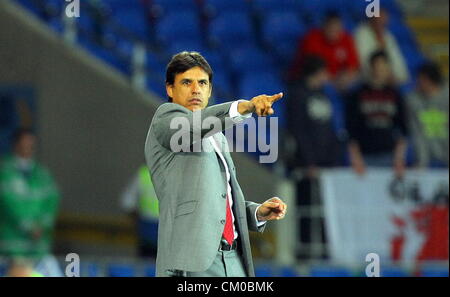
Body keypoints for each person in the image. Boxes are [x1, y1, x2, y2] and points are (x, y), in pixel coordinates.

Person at [144, 51, 288, 277]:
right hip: (193, 262)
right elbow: (194, 126)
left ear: (210, 91)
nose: (195, 89)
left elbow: (222, 200)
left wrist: (257, 212)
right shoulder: (166, 120)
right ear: (170, 89)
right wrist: (244, 107)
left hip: (233, 258)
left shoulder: (217, 136)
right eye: (186, 82)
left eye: (202, 83)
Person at [0, 129, 61, 276]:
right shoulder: (4, 171)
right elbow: (8, 202)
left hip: (38, 248)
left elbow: (52, 200)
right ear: (15, 145)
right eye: (23, 145)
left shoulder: (41, 173)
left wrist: (42, 224)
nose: (27, 149)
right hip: (11, 247)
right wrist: (28, 226)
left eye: (30, 145)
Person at [345, 50, 409, 177]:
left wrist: (399, 158)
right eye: (377, 66)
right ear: (370, 68)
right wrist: (356, 158)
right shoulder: (357, 95)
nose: (379, 70)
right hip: (364, 155)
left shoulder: (395, 95)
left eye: (383, 66)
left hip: (389, 156)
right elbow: (351, 130)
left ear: (388, 68)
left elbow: (403, 129)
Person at [287, 55, 342, 178]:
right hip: (307, 162)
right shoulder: (298, 96)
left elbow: (329, 126)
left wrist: (334, 157)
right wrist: (309, 161)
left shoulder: (324, 94)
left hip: (326, 158)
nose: (327, 76)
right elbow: (298, 129)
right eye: (324, 72)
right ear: (316, 73)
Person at [289, 11, 360, 92]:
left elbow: (353, 67)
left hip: (338, 82)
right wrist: (333, 80)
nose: (334, 32)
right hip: (309, 81)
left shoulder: (346, 38)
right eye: (331, 28)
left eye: (337, 28)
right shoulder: (312, 38)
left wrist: (348, 76)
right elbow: (313, 69)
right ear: (324, 26)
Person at [406, 62, 449, 168]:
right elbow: (416, 132)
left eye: (420, 80)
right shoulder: (413, 100)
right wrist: (421, 162)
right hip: (425, 154)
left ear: (429, 81)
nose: (417, 83)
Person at [354, 8, 409, 86]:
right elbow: (363, 61)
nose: (381, 24)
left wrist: (398, 76)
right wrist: (381, 75)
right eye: (378, 20)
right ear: (372, 20)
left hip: (389, 79)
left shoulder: (388, 36)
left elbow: (398, 62)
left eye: (384, 22)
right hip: (369, 78)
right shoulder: (361, 33)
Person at [120, 164, 159, 258]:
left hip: (147, 230)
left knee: (146, 267)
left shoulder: (144, 175)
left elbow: (127, 202)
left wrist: (136, 219)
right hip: (168, 232)